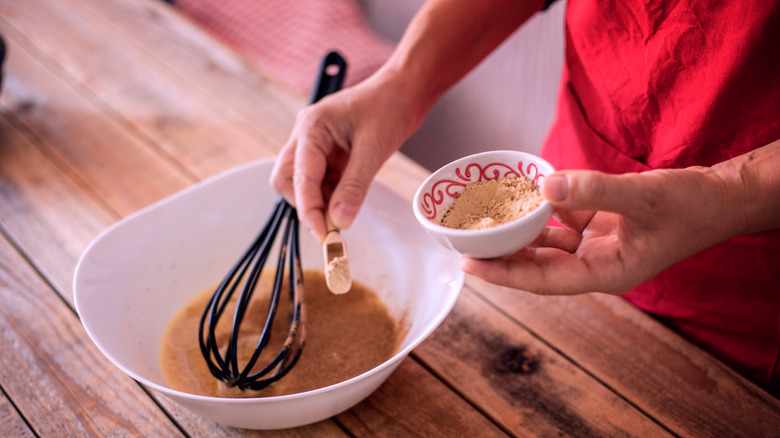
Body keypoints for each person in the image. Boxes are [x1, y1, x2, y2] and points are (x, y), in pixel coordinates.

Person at [270, 0, 780, 396]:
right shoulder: (540, 218)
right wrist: (402, 83)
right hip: (561, 230)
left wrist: (726, 193)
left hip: (744, 306)